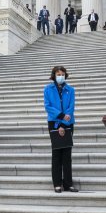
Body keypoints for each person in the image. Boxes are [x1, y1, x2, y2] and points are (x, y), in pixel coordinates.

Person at [43, 65, 77, 193]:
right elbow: (48, 106)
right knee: (56, 154)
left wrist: (64, 123)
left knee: (67, 155)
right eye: (58, 74)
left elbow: (71, 107)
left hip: (68, 122)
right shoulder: (48, 89)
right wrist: (61, 117)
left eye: (62, 74)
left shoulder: (70, 89)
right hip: (54, 122)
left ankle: (68, 184)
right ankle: (57, 183)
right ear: (53, 76)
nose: (60, 76)